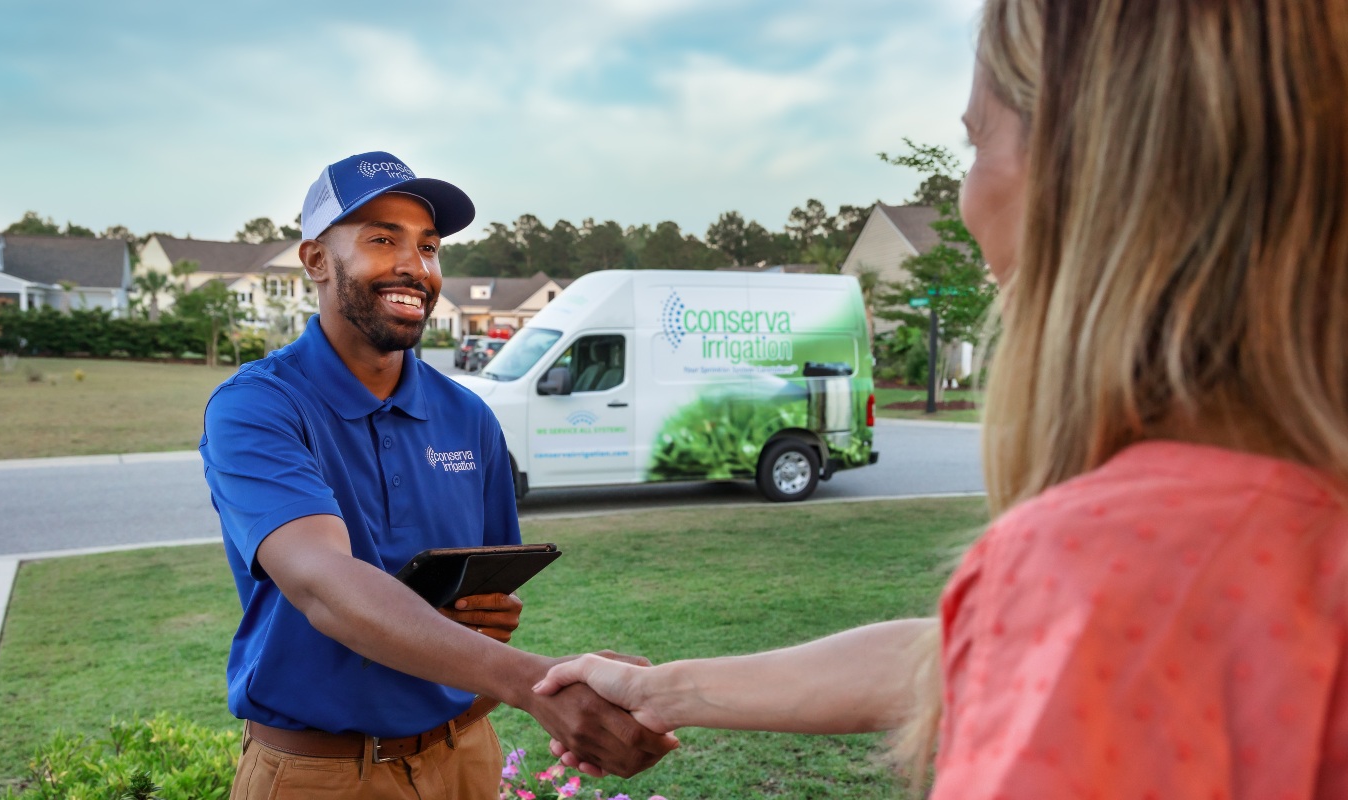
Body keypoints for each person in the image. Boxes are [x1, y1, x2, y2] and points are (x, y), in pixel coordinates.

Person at [535, 0, 1348, 796]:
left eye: (977, 145)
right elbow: (969, 647)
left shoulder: (1122, 554)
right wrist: (663, 690)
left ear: (1096, 173)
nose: (965, 199)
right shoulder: (1283, 511)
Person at [200, 151, 675, 799]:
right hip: (322, 774)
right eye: (381, 239)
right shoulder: (257, 407)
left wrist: (498, 629)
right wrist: (539, 684)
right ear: (315, 260)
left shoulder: (468, 418)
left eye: (428, 246)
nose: (413, 266)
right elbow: (322, 583)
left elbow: (493, 600)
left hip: (466, 756)